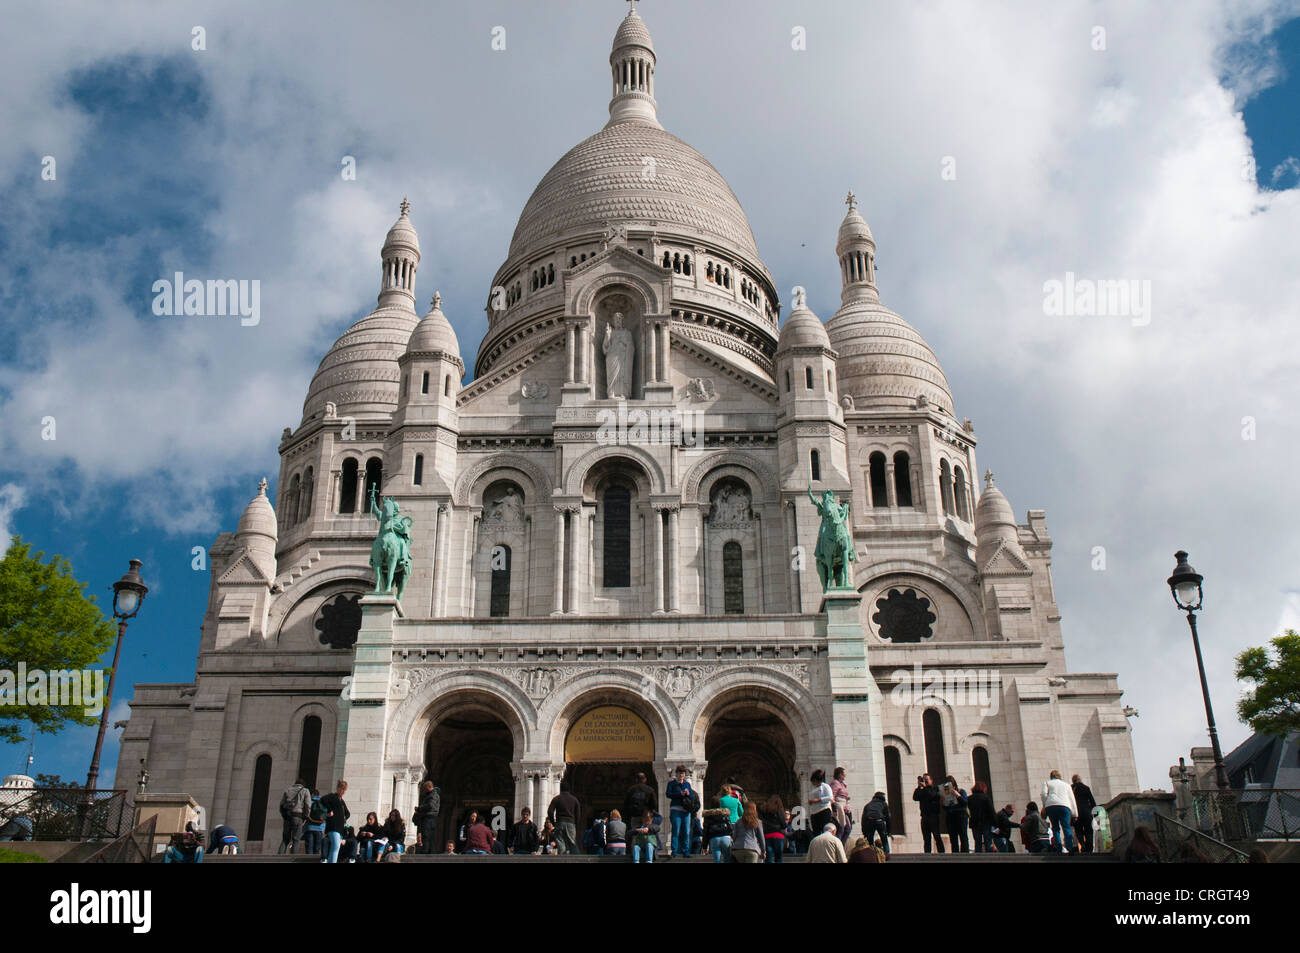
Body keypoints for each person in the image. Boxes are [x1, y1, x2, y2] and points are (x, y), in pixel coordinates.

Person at [1041, 770, 1078, 854]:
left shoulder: (1047, 783)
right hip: (1064, 806)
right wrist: (1075, 814)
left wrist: (1046, 803)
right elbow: (1072, 799)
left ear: (1051, 776)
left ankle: (1059, 847)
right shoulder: (1066, 785)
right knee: (1066, 827)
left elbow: (1043, 794)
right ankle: (1069, 847)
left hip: (1051, 806)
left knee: (1055, 827)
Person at [665, 765, 696, 858]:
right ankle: (674, 851)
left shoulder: (687, 784)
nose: (681, 775)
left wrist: (688, 793)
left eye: (683, 773)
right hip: (675, 810)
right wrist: (680, 794)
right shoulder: (671, 784)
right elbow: (668, 794)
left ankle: (685, 852)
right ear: (676, 774)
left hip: (686, 811)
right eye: (680, 773)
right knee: (676, 831)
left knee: (686, 832)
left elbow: (691, 797)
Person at [277, 777, 311, 855]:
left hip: (287, 817)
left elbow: (281, 805)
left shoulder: (288, 790)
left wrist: (284, 815)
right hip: (298, 817)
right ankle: (292, 858)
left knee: (285, 839)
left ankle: (279, 857)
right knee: (296, 839)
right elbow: (308, 805)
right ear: (303, 785)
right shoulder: (305, 791)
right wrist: (305, 817)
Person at [319, 780, 350, 863]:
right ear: (337, 788)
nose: (343, 791)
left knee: (335, 847)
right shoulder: (332, 796)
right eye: (341, 789)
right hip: (333, 826)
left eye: (344, 789)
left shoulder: (342, 801)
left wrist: (344, 818)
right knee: (336, 846)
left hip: (340, 828)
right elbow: (322, 800)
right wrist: (329, 810)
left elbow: (348, 813)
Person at [912, 774, 944, 853]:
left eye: (927, 780)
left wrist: (925, 787)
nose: (925, 782)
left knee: (936, 836)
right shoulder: (922, 790)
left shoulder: (935, 789)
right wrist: (919, 786)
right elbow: (915, 797)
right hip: (924, 816)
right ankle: (927, 854)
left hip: (933, 815)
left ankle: (941, 853)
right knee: (926, 838)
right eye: (924, 780)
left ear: (931, 780)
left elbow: (931, 795)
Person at [547, 782, 581, 855]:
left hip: (560, 822)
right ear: (569, 789)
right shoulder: (574, 800)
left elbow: (550, 811)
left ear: (561, 788)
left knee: (560, 843)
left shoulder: (556, 798)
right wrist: (576, 824)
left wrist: (554, 822)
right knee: (573, 843)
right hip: (571, 823)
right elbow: (578, 814)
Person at [940, 775, 969, 853]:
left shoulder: (961, 791)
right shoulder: (946, 793)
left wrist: (957, 795)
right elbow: (946, 808)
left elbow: (965, 803)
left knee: (963, 837)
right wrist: (943, 802)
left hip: (961, 816)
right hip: (951, 817)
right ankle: (955, 855)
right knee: (953, 839)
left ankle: (965, 855)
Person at [412, 779, 440, 854]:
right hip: (430, 818)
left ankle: (426, 851)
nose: (424, 790)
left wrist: (420, 808)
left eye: (425, 788)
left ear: (429, 787)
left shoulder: (432, 795)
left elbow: (430, 805)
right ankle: (429, 851)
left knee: (427, 835)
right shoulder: (432, 794)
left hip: (429, 818)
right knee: (429, 836)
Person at [967, 781, 996, 853]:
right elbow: (991, 811)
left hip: (974, 822)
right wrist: (995, 822)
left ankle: (977, 858)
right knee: (988, 842)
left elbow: (967, 811)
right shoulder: (986, 798)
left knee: (977, 842)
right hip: (985, 822)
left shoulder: (969, 798)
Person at [1071, 774, 1097, 853]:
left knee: (1078, 830)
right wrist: (1095, 813)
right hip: (1087, 812)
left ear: (1073, 780)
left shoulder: (1071, 788)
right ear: (1080, 779)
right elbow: (1092, 801)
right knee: (1088, 830)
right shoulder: (1086, 788)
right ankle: (1089, 848)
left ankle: (1082, 844)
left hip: (1077, 813)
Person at [859, 791, 890, 855]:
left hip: (869, 821)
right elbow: (888, 817)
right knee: (884, 839)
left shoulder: (868, 805)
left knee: (870, 839)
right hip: (879, 821)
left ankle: (871, 854)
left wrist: (864, 832)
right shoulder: (884, 804)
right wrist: (888, 831)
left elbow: (863, 819)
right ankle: (887, 854)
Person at [702, 798, 733, 862]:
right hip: (725, 837)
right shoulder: (725, 814)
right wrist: (732, 837)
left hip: (714, 838)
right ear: (720, 804)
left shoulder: (708, 816)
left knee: (716, 860)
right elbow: (730, 827)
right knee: (727, 859)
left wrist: (704, 846)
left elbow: (705, 832)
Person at [759, 795, 787, 863]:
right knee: (779, 858)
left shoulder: (764, 810)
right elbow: (783, 824)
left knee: (768, 858)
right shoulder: (779, 810)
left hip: (767, 836)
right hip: (778, 836)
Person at [808, 769, 834, 837]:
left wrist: (819, 800)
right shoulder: (813, 789)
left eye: (814, 781)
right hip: (814, 812)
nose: (813, 783)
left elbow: (830, 797)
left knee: (825, 830)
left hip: (823, 810)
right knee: (816, 832)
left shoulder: (825, 786)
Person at [830, 766, 853, 844]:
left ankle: (840, 846)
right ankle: (838, 846)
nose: (845, 775)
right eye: (844, 773)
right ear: (840, 774)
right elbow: (832, 795)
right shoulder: (835, 783)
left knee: (847, 829)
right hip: (839, 806)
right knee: (842, 828)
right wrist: (834, 807)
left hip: (844, 807)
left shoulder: (842, 784)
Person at [304, 789, 326, 856]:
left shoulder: (309, 802)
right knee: (317, 848)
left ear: (312, 794)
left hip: (310, 827)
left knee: (309, 848)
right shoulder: (323, 802)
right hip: (320, 828)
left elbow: (306, 813)